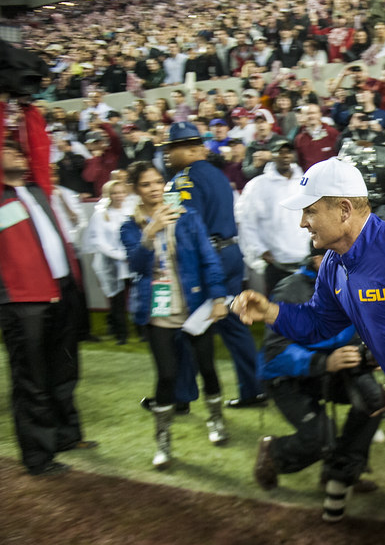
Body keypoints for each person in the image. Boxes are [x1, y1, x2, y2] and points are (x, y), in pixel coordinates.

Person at [229, 158, 385, 523]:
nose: (302, 222)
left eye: (310, 211)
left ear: (343, 209)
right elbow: (319, 322)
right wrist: (270, 312)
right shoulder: (333, 263)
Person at [253, 248, 385, 516]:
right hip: (288, 378)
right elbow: (275, 354)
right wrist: (325, 362)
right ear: (319, 260)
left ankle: (342, 472)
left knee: (374, 400)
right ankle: (273, 454)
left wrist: (370, 353)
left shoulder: (353, 283)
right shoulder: (290, 290)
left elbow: (360, 332)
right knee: (320, 437)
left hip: (331, 370)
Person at [1, 114, 94, 477]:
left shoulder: (37, 188)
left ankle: (66, 436)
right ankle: (38, 456)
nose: (19, 155)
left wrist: (28, 109)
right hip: (23, 301)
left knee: (64, 369)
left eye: (18, 151)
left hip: (62, 291)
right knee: (32, 379)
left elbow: (39, 148)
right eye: (8, 150)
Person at [121, 161, 230, 469]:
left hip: (195, 307)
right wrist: (150, 232)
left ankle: (216, 421)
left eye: (158, 182)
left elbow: (209, 259)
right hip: (157, 311)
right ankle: (163, 442)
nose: (155, 188)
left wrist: (219, 297)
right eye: (146, 184)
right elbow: (137, 267)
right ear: (135, 190)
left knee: (208, 367)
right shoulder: (129, 225)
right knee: (166, 375)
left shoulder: (188, 216)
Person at [164, 121, 264, 408]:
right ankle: (253, 389)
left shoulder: (183, 179)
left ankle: (179, 396)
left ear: (193, 150)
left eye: (174, 148)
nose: (169, 154)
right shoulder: (219, 175)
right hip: (230, 252)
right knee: (232, 324)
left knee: (190, 324)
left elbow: (185, 226)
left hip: (207, 258)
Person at [236, 140, 310, 295]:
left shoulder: (305, 182)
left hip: (305, 260)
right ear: (272, 156)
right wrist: (260, 250)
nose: (285, 156)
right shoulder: (258, 185)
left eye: (288, 152)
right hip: (276, 263)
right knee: (277, 310)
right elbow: (247, 222)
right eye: (279, 152)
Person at [85, 178, 130, 344]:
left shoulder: (132, 211)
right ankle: (121, 334)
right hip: (111, 263)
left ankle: (143, 333)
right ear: (108, 195)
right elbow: (98, 241)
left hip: (131, 261)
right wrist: (119, 255)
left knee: (138, 296)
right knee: (117, 301)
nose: (118, 196)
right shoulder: (100, 215)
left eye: (121, 192)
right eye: (115, 193)